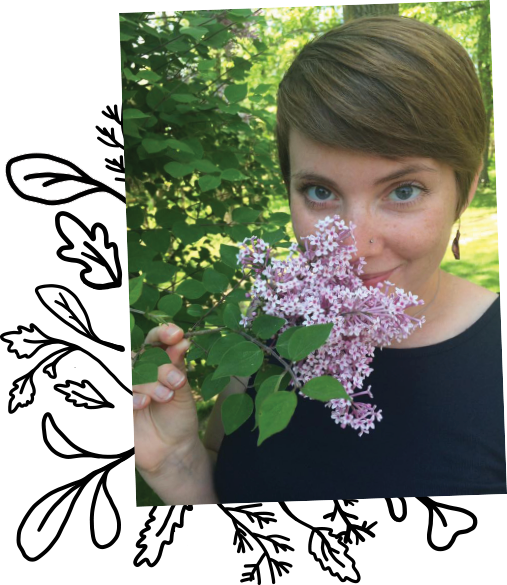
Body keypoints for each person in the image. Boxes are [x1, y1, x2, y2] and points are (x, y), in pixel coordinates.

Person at [132, 15, 506, 504]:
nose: (353, 246)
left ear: (466, 188)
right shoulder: (267, 326)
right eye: (320, 191)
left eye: (403, 190)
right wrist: (179, 464)